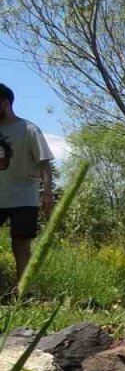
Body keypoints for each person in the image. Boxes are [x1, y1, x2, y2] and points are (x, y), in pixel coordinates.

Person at [0, 83, 55, 285]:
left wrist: (47, 193)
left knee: (21, 244)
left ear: (6, 103)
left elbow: (44, 164)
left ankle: (23, 291)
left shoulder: (29, 129)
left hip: (24, 196)